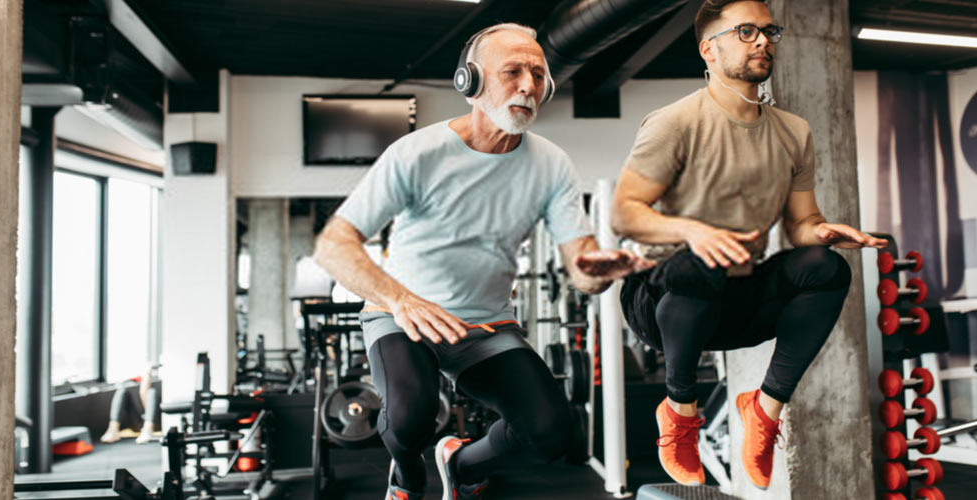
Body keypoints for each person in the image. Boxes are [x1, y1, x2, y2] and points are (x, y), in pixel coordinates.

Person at [314, 23, 651, 500]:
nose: (529, 86)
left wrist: (596, 273)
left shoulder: (551, 163)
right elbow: (334, 245)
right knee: (409, 418)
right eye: (513, 71)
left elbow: (579, 266)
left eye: (538, 75)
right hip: (402, 318)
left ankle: (461, 464)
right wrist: (401, 301)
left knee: (553, 433)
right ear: (469, 83)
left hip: (487, 327)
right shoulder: (417, 153)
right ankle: (407, 477)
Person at [612, 0, 886, 489]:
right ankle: (678, 413)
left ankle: (764, 409)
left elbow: (802, 222)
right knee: (705, 259)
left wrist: (822, 231)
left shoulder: (793, 132)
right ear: (708, 50)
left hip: (735, 301)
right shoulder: (674, 122)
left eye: (768, 30)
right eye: (745, 32)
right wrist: (694, 231)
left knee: (826, 268)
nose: (762, 40)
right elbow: (626, 212)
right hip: (661, 301)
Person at [100, 364, 161, 444]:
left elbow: (144, 393)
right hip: (140, 422)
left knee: (151, 392)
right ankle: (113, 430)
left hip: (156, 422)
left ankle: (148, 430)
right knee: (122, 392)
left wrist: (147, 374)